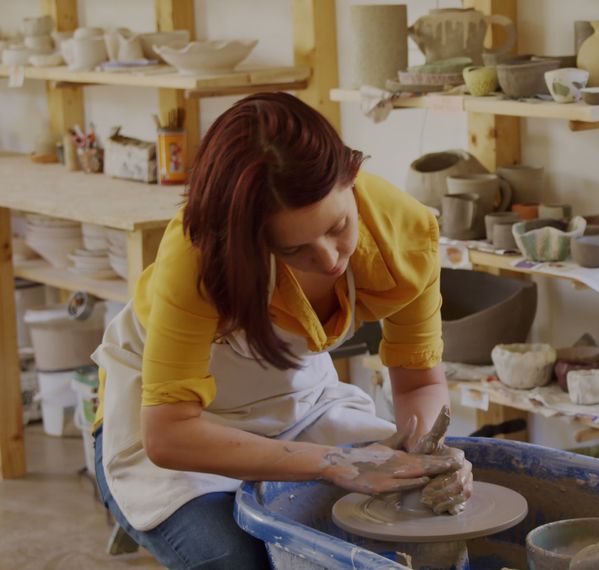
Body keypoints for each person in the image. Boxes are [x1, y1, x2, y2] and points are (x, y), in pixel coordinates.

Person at [91, 92, 471, 569]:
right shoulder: (196, 257)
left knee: (407, 524)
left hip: (300, 408)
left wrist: (427, 460)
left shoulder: (406, 236)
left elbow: (419, 382)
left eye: (338, 226)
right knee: (238, 559)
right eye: (295, 251)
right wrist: (334, 464)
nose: (331, 258)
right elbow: (169, 436)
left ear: (351, 175)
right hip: (174, 434)